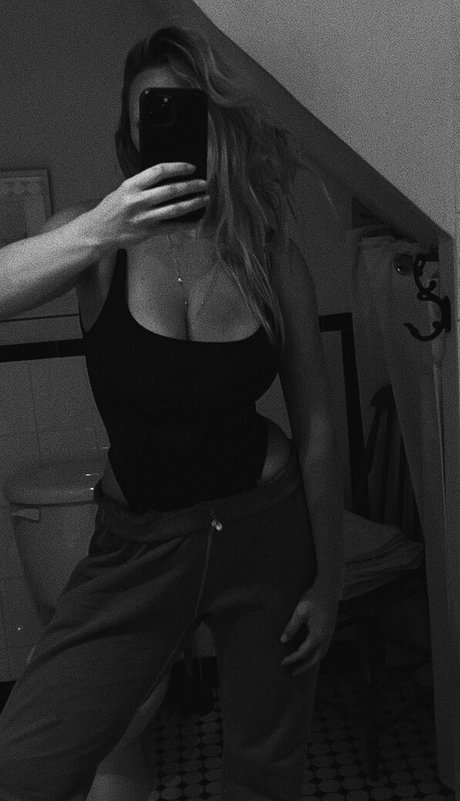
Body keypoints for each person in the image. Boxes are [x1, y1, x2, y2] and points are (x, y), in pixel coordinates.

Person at [0, 25, 344, 801]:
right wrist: (101, 225)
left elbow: (318, 429)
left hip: (265, 531)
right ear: (128, 136)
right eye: (150, 113)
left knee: (266, 770)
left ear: (217, 125)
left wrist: (329, 580)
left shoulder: (269, 255)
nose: (170, 128)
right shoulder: (97, 245)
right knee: (24, 765)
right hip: (138, 546)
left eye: (188, 110)